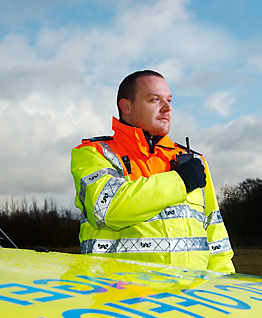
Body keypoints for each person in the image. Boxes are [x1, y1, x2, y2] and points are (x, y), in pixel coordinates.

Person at [71, 70, 234, 273]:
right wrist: (180, 181)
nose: (167, 108)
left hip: (191, 297)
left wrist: (224, 284)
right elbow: (108, 209)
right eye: (155, 100)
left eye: (169, 100)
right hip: (118, 297)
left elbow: (215, 230)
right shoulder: (93, 154)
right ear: (126, 107)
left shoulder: (194, 160)